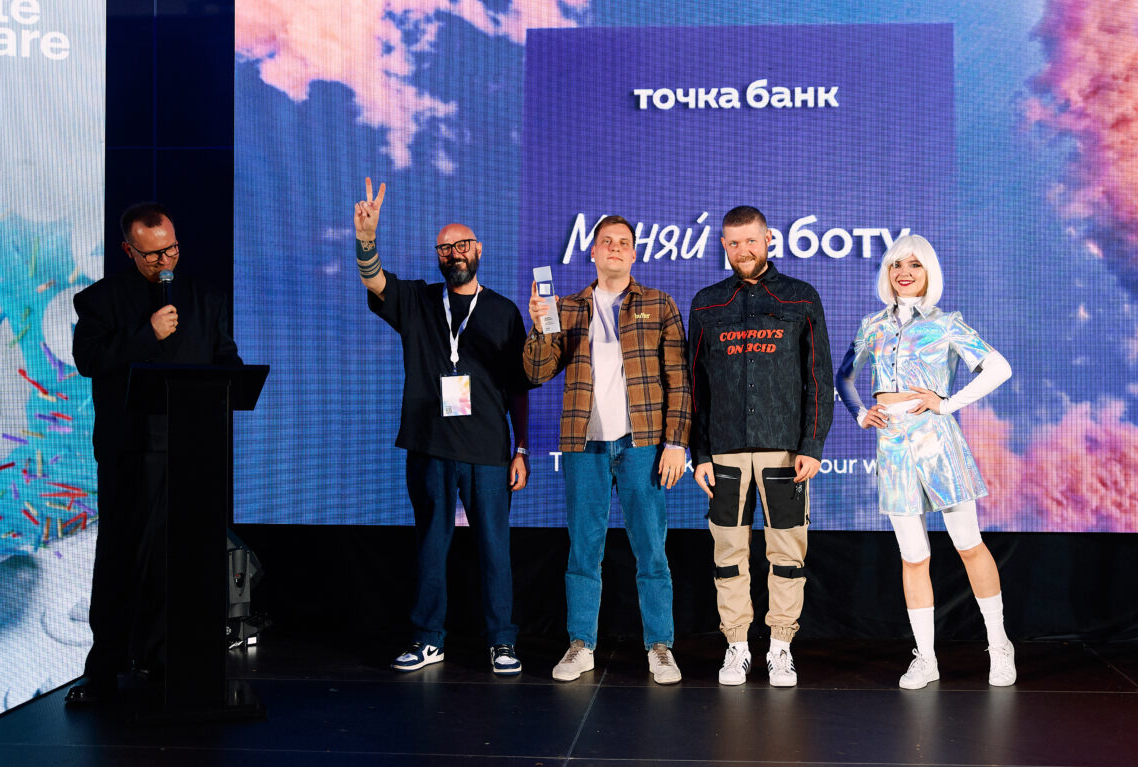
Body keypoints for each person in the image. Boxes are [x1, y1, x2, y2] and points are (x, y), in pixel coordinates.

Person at [67, 203, 241, 705]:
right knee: (122, 559)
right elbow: (88, 360)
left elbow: (226, 361)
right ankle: (105, 670)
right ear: (129, 250)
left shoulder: (206, 299)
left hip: (192, 453)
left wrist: (231, 379)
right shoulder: (100, 300)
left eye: (172, 249)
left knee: (181, 563)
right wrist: (148, 334)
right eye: (153, 255)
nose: (166, 262)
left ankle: (168, 662)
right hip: (130, 452)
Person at [354, 178, 530, 675]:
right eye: (445, 248)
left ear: (479, 249)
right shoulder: (418, 300)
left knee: (495, 549)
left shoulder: (503, 311)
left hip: (489, 449)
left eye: (462, 245)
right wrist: (366, 240)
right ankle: (429, 638)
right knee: (431, 546)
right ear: (438, 256)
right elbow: (375, 281)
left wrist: (522, 449)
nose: (454, 253)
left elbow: (518, 388)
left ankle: (502, 642)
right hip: (430, 444)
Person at [835, 233, 1016, 689]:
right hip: (892, 445)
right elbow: (844, 376)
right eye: (897, 265)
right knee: (913, 556)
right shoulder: (872, 325)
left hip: (937, 441)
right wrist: (860, 412)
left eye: (914, 265)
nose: (905, 273)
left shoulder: (947, 323)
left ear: (929, 272)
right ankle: (926, 658)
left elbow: (999, 368)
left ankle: (999, 646)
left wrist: (947, 403)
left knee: (968, 544)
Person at [525, 215, 691, 685]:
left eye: (623, 242)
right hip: (584, 445)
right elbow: (537, 372)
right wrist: (540, 327)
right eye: (606, 242)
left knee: (651, 551)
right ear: (593, 252)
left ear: (634, 254)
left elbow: (679, 380)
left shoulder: (659, 304)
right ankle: (581, 645)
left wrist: (677, 442)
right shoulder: (566, 306)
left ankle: (660, 647)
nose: (615, 248)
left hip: (642, 443)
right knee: (584, 551)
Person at [688, 206, 834, 687]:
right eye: (733, 243)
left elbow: (818, 378)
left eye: (750, 240)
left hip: (785, 452)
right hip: (725, 452)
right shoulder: (707, 303)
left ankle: (780, 647)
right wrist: (700, 453)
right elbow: (695, 387)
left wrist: (811, 444)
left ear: (769, 238)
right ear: (723, 245)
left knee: (787, 554)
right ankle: (736, 646)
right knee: (728, 554)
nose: (743, 250)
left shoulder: (800, 297)